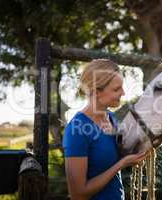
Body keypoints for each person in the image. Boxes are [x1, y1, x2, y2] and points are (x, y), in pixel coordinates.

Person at [63, 59, 147, 200]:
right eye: (116, 89)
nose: (123, 93)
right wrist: (121, 164)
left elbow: (118, 151)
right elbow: (77, 194)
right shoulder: (76, 130)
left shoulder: (112, 119)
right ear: (96, 92)